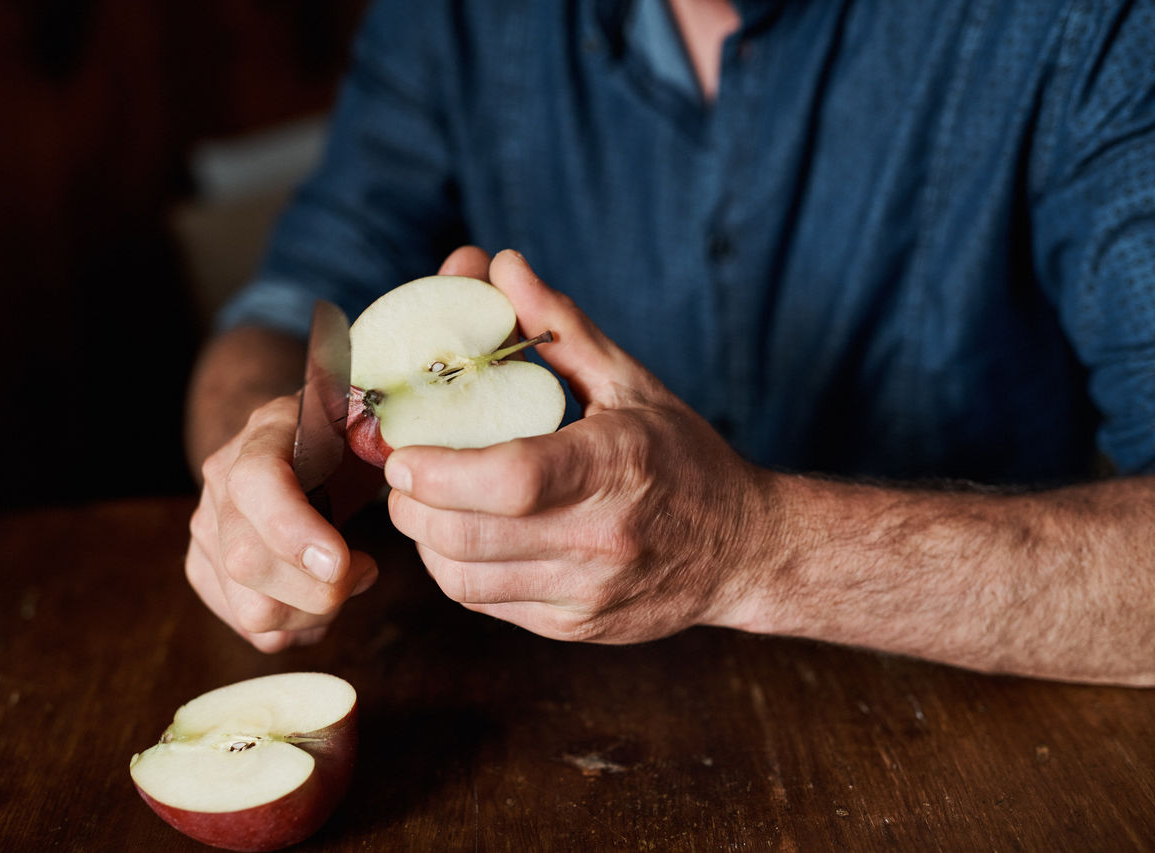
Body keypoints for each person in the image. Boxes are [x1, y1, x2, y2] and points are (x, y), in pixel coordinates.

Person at [183, 0, 1155, 685]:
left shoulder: (1087, 24)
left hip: (981, 726)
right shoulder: (452, 19)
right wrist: (259, 456)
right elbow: (287, 306)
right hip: (536, 715)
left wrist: (746, 546)